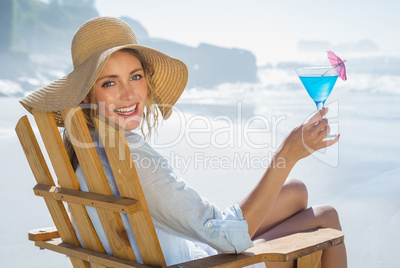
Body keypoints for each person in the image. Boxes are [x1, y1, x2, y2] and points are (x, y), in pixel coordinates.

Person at [20, 17, 347, 267]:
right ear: (87, 94)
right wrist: (287, 154)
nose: (129, 93)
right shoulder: (128, 156)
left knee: (296, 192)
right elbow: (226, 239)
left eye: (135, 76)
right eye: (110, 82)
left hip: (176, 247)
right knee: (325, 216)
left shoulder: (84, 148)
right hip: (199, 261)